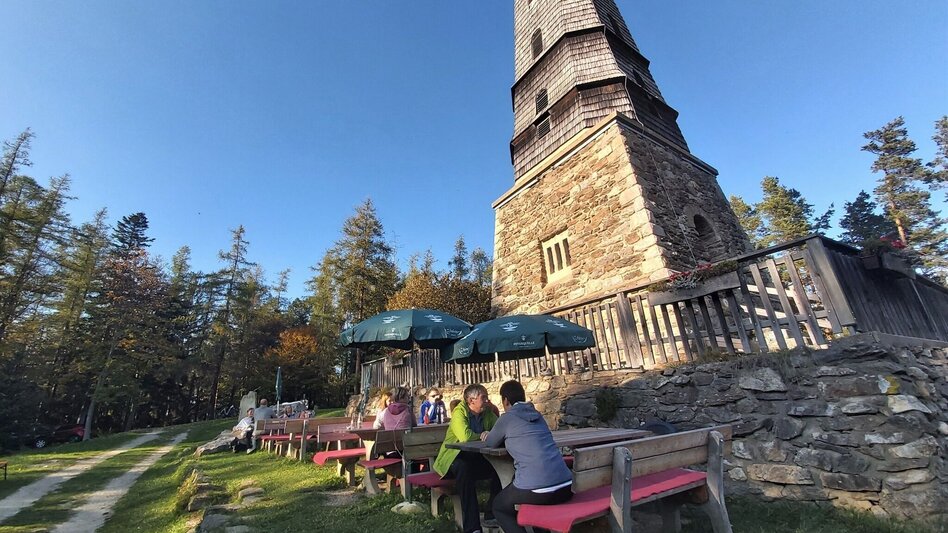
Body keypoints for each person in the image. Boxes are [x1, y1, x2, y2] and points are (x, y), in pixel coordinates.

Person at [484, 380, 572, 533]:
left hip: (537, 490)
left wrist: (487, 435)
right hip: (566, 485)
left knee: (499, 507)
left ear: (505, 400)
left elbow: (491, 442)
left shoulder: (507, 418)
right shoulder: (537, 415)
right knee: (534, 497)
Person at [434, 384, 501, 533]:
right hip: (452, 460)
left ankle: (491, 513)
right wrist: (484, 435)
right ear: (471, 400)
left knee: (500, 465)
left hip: (475, 458)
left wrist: (491, 434)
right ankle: (472, 527)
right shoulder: (459, 413)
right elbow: (465, 436)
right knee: (464, 469)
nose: (487, 400)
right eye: (483, 397)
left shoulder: (488, 412)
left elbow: (500, 429)